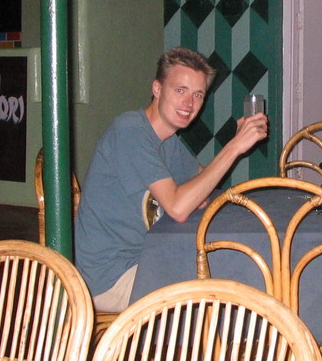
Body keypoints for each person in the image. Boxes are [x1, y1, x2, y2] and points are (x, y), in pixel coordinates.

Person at [75, 47, 268, 311]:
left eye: (197, 95)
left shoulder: (169, 142)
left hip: (148, 257)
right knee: (224, 286)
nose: (189, 104)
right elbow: (178, 207)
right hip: (109, 279)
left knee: (233, 267)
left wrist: (196, 191)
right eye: (180, 90)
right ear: (157, 89)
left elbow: (202, 183)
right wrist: (234, 147)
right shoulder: (130, 131)